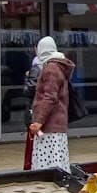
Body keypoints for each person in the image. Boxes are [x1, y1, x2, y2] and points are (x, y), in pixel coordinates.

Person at [28, 37, 75, 171]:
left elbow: (49, 97)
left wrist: (38, 121)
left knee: (47, 164)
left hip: (50, 124)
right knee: (58, 160)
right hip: (57, 123)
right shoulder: (58, 66)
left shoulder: (50, 68)